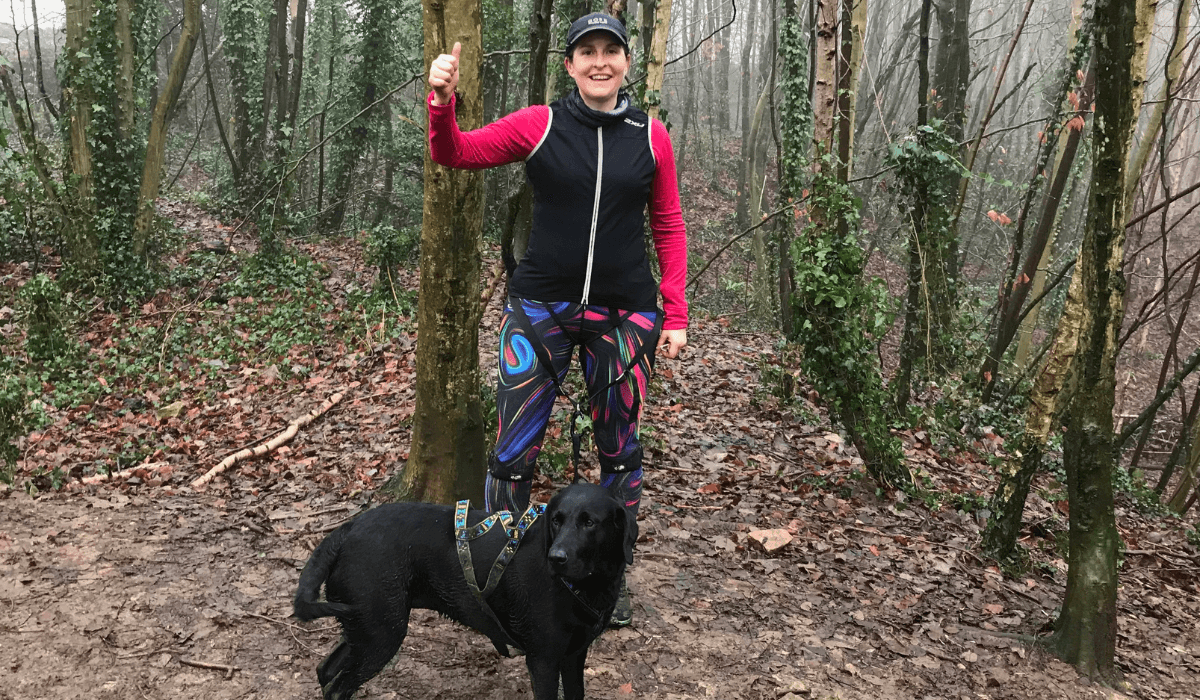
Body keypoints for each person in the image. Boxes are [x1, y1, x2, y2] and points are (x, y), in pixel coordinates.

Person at [427, 12, 688, 627]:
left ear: (627, 64)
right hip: (539, 309)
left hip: (624, 318)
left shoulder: (651, 136)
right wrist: (442, 101)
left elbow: (669, 223)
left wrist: (673, 312)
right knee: (513, 454)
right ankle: (496, 577)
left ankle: (609, 579)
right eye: (587, 52)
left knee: (620, 454)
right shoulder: (540, 124)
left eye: (611, 52)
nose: (600, 62)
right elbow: (456, 153)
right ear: (568, 66)